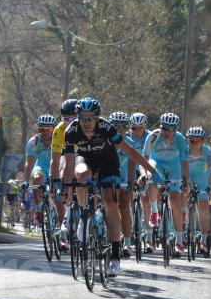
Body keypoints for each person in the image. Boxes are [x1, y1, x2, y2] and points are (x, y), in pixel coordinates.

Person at [60, 97, 161, 277]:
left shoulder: (106, 127)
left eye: (91, 118)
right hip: (85, 160)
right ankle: (84, 216)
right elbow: (68, 164)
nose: (86, 122)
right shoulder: (71, 131)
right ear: (77, 118)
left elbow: (129, 150)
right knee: (81, 175)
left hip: (108, 162)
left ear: (98, 118)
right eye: (82, 118)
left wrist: (151, 170)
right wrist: (66, 188)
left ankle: (115, 258)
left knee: (110, 202)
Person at [143, 113, 190, 257]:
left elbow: (184, 162)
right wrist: (144, 175)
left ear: (175, 130)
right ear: (160, 127)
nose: (166, 132)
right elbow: (144, 159)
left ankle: (179, 241)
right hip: (156, 163)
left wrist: (185, 181)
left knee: (175, 201)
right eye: (164, 129)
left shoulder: (180, 139)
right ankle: (154, 211)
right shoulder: (153, 136)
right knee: (151, 178)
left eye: (170, 129)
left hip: (174, 166)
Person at [49, 99, 79, 248]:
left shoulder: (84, 127)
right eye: (65, 118)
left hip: (82, 156)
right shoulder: (59, 130)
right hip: (66, 157)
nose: (69, 122)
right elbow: (54, 160)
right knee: (63, 175)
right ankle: (64, 231)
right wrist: (53, 183)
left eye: (73, 118)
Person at [108, 111, 135, 258]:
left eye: (122, 127)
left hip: (123, 175)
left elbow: (131, 168)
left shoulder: (129, 144)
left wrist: (130, 185)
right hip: (107, 174)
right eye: (115, 126)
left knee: (124, 204)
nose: (119, 130)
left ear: (126, 129)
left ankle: (127, 242)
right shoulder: (105, 141)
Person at [23, 114, 57, 227]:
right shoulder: (33, 142)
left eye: (49, 129)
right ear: (39, 128)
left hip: (56, 167)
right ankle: (38, 210)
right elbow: (29, 163)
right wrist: (26, 181)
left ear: (54, 129)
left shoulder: (59, 140)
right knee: (36, 180)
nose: (46, 131)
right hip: (41, 168)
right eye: (43, 128)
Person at [186, 127, 211, 254]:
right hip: (187, 178)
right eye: (192, 141)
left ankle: (203, 241)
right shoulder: (184, 150)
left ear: (202, 141)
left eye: (198, 141)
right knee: (180, 200)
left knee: (203, 207)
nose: (195, 144)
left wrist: (209, 186)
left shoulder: (207, 150)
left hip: (202, 180)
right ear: (188, 141)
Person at [128, 113, 154, 253]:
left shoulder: (150, 137)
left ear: (145, 127)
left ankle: (149, 238)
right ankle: (128, 229)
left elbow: (152, 156)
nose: (137, 131)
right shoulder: (127, 136)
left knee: (145, 201)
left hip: (144, 168)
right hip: (131, 168)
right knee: (127, 199)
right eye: (134, 128)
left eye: (140, 128)